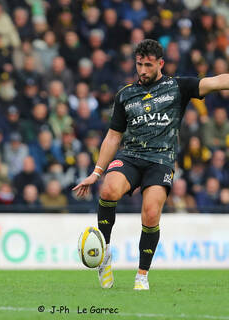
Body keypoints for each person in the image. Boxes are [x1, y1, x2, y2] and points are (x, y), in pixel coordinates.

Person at [73, 39, 229, 291]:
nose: (142, 70)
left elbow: (218, 81)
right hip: (131, 156)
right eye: (139, 65)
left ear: (160, 64)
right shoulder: (125, 95)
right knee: (108, 190)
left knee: (150, 213)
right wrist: (96, 172)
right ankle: (106, 253)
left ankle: (142, 275)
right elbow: (113, 136)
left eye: (147, 65)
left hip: (161, 161)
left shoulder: (178, 86)